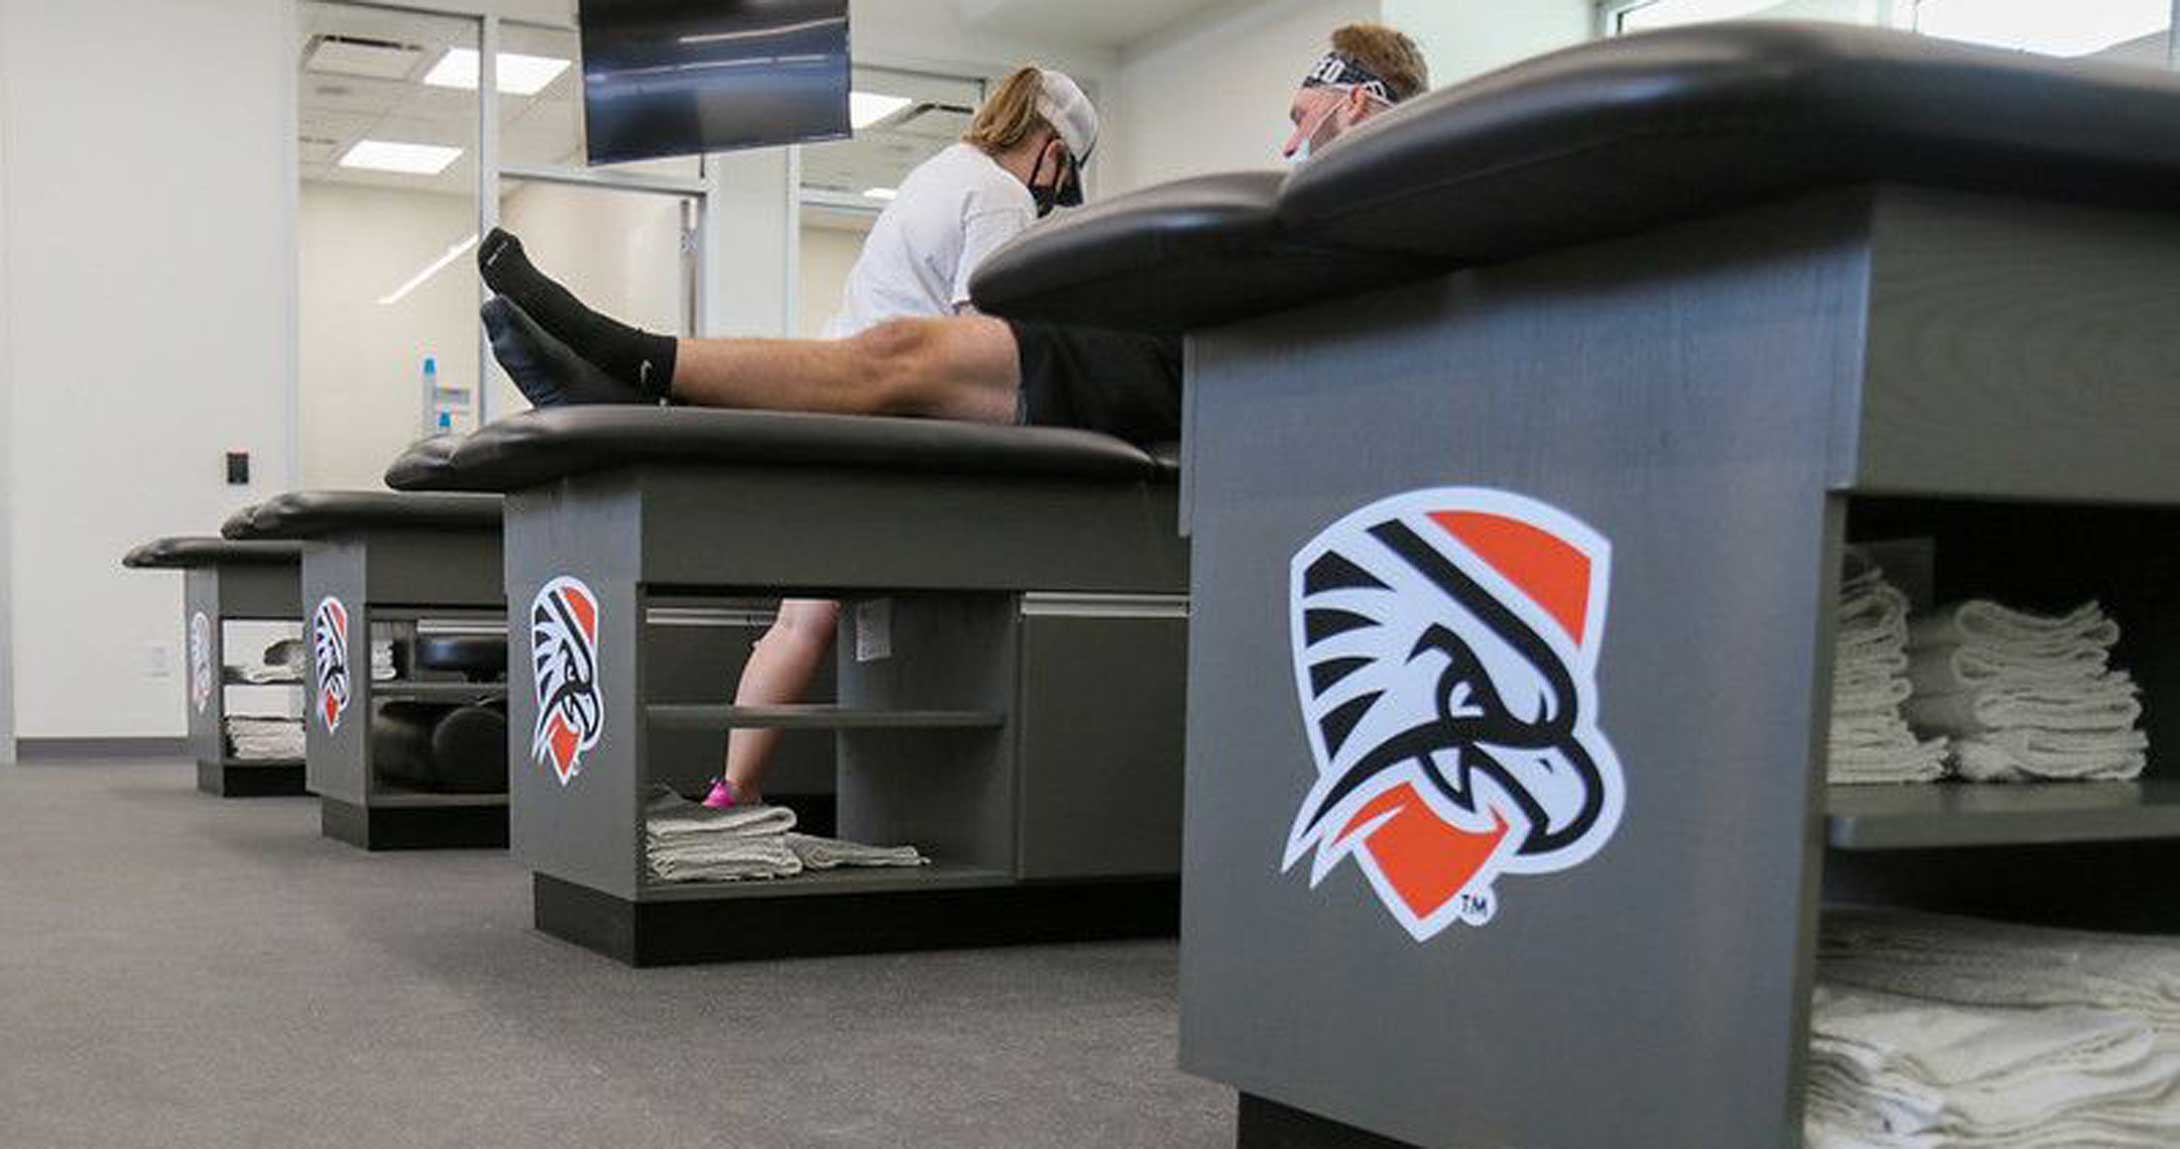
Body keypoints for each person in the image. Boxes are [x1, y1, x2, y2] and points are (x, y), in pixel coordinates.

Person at [476, 24, 1427, 805]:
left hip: (1157, 372)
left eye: (1303, 116)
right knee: (886, 375)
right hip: (1141, 353)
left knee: (893, 367)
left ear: (1359, 104)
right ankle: (637, 379)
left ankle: (633, 368)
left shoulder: (1376, 204)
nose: (1289, 138)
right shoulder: (1007, 188)